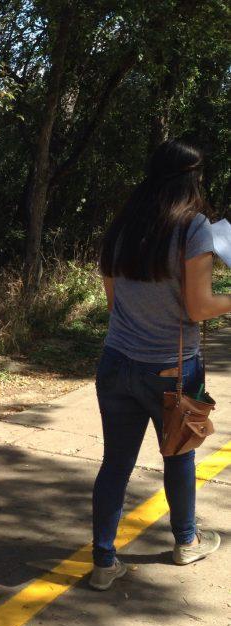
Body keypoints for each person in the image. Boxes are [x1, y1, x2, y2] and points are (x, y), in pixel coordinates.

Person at [89, 139, 231, 590]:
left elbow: (115, 305)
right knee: (179, 455)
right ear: (193, 178)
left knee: (115, 463)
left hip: (115, 362)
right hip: (171, 368)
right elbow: (199, 306)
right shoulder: (194, 228)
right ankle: (185, 542)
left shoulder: (123, 226)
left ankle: (103, 563)